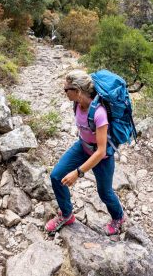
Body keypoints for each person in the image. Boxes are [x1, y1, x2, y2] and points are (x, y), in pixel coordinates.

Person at [45, 69, 126, 235]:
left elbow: (101, 151)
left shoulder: (99, 113)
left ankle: (118, 217)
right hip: (82, 146)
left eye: (66, 89)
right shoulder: (77, 104)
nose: (64, 92)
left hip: (101, 156)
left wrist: (78, 172)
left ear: (78, 91)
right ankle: (67, 215)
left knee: (105, 193)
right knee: (55, 176)